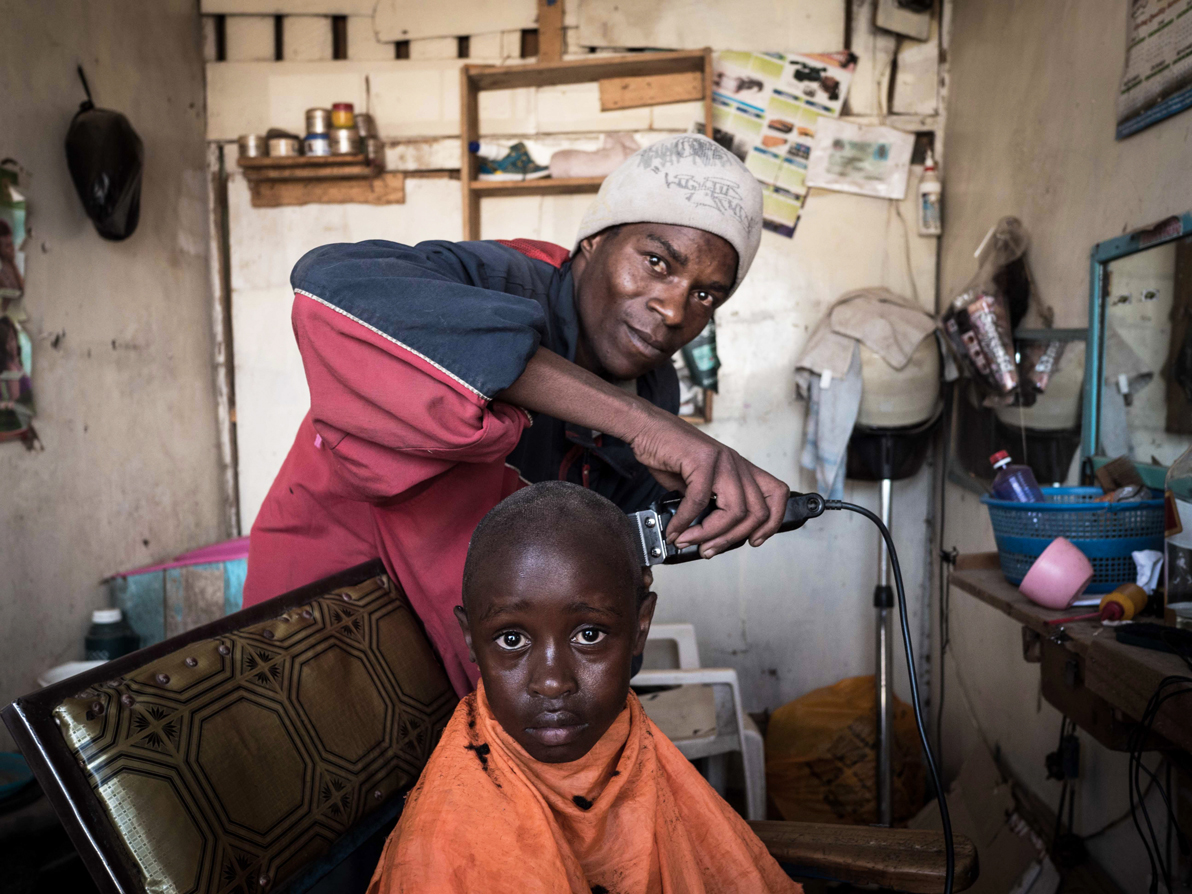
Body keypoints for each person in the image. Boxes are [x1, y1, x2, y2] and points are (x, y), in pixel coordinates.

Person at [243, 134, 790, 694]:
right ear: (594, 241)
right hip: (335, 610)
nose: (673, 309)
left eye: (705, 297)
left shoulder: (653, 386)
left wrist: (671, 533)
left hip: (474, 644)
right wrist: (642, 422)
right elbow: (332, 288)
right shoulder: (499, 280)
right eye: (655, 263)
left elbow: (601, 554)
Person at [367, 482, 801, 894]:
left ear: (639, 627)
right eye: (512, 640)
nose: (553, 682)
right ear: (470, 640)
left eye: (589, 635)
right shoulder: (444, 849)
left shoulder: (630, 740)